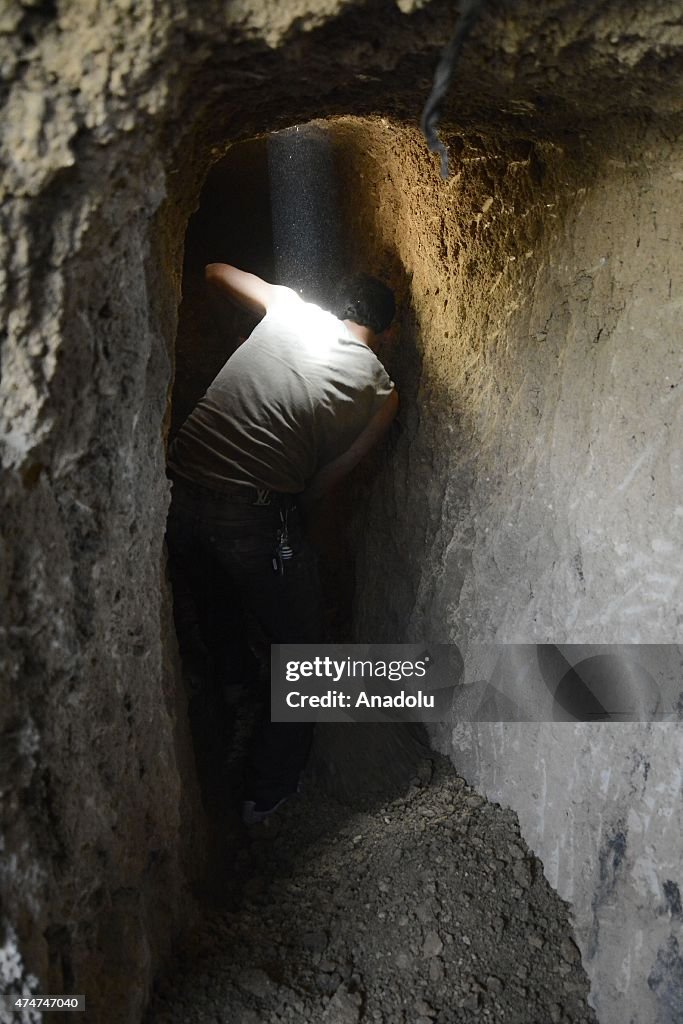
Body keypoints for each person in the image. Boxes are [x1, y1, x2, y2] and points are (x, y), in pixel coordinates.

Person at [166, 263, 398, 824]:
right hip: (252, 515)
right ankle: (266, 792)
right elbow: (325, 482)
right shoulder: (382, 392)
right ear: (388, 333)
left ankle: (232, 692)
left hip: (172, 495)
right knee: (302, 651)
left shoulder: (292, 308)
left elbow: (215, 271)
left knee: (211, 596)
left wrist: (240, 332)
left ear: (333, 304)